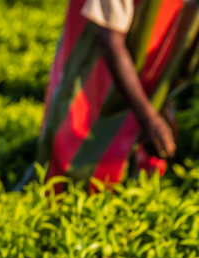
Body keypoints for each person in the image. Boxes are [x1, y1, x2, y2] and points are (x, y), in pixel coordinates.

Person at [35, 0, 198, 187]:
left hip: (149, 72)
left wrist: (164, 99)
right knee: (74, 151)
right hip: (96, 76)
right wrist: (149, 117)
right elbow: (111, 41)